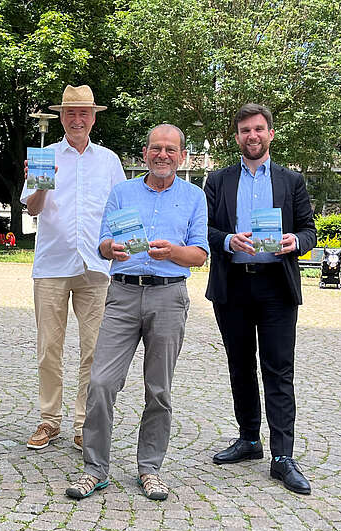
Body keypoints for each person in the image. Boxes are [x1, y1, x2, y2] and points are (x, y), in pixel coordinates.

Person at [66, 124, 209, 501]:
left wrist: (173, 253)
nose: (162, 155)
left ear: (182, 156)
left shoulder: (194, 196)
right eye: (155, 148)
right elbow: (100, 244)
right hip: (123, 294)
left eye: (170, 149)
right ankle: (95, 469)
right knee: (101, 383)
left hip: (169, 296)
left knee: (158, 389)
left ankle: (150, 468)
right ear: (144, 153)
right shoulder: (122, 192)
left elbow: (200, 254)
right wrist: (110, 248)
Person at [204, 104, 316, 494]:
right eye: (244, 130)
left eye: (258, 129)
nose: (252, 136)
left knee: (279, 369)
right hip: (233, 284)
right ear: (236, 137)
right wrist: (226, 239)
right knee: (239, 365)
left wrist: (295, 242)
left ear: (270, 134)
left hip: (276, 286)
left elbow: (309, 232)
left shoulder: (291, 181)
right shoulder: (217, 180)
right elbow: (205, 230)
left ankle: (282, 456)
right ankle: (249, 438)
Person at [21, 85, 126, 451]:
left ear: (94, 118)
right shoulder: (45, 155)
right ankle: (49, 420)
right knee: (49, 347)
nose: (77, 119)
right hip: (52, 263)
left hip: (96, 265)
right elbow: (32, 209)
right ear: (62, 117)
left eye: (84, 113)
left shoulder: (109, 161)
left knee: (94, 349)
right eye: (71, 113)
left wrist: (124, 248)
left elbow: (120, 212)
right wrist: (40, 185)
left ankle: (84, 422)